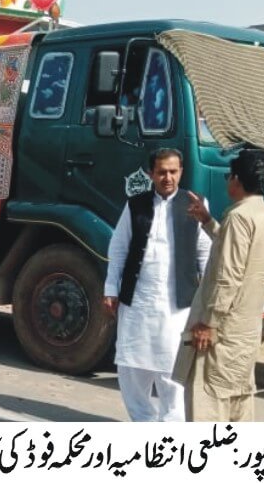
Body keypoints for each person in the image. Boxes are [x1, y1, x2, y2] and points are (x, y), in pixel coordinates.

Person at [104, 148, 212, 422]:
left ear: (181, 173)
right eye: (162, 172)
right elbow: (118, 249)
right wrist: (110, 289)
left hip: (176, 306)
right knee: (131, 370)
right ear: (151, 174)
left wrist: (207, 304)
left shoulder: (196, 205)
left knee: (172, 371)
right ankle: (144, 424)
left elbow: (205, 255)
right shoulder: (136, 204)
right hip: (138, 301)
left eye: (173, 171)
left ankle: (170, 431)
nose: (167, 177)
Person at [176, 151, 264, 422]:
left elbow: (228, 275)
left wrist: (209, 322)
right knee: (238, 399)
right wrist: (208, 221)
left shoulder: (239, 217)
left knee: (208, 402)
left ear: (236, 179)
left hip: (223, 329)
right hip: (246, 329)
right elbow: (236, 251)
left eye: (228, 176)